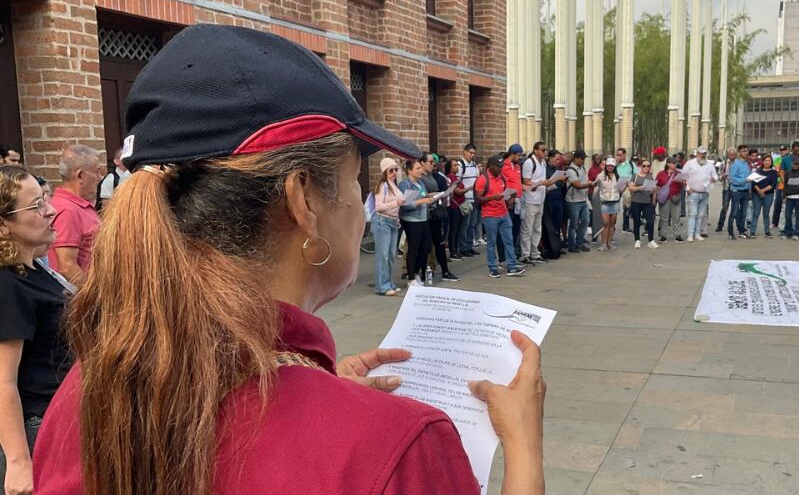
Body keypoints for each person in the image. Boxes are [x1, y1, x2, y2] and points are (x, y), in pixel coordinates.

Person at [32, 25, 545, 495]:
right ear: (304, 201)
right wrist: (523, 448)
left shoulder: (89, 390)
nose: (360, 209)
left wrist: (320, 392)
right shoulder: (398, 444)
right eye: (353, 180)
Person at [0, 166, 71, 495]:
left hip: (60, 418)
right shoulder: (8, 285)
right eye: (36, 206)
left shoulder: (35, 273)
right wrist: (18, 461)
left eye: (45, 199)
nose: (50, 210)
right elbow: (3, 381)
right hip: (37, 428)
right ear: (4, 223)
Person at [47, 145, 101, 286]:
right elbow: (67, 266)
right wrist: (94, 299)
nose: (99, 178)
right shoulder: (68, 210)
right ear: (80, 175)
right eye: (97, 172)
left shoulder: (77, 205)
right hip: (82, 300)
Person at [476, 155, 526, 278]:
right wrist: (493, 197)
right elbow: (479, 198)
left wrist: (511, 197)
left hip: (503, 213)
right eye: (498, 167)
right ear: (491, 166)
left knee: (509, 240)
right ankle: (492, 267)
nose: (500, 169)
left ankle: (511, 266)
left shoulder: (502, 178)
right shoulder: (483, 179)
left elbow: (505, 195)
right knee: (491, 242)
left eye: (501, 166)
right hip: (490, 215)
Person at [399, 156, 441, 285]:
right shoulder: (405, 184)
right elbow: (405, 204)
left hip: (423, 218)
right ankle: (411, 277)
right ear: (409, 170)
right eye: (417, 168)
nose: (420, 171)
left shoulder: (420, 183)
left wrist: (431, 195)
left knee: (426, 246)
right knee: (414, 247)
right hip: (411, 219)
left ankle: (416, 272)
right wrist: (423, 201)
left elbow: (422, 195)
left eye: (420, 168)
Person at [419, 154, 458, 282]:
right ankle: (423, 273)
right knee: (425, 246)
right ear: (422, 163)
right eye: (430, 162)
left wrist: (441, 194)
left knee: (439, 244)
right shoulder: (420, 178)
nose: (433, 164)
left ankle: (445, 271)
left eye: (434, 162)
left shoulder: (431, 176)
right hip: (426, 215)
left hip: (436, 212)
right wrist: (435, 194)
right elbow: (421, 195)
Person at [521, 142, 559, 264]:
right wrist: (541, 183)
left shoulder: (543, 163)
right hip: (530, 199)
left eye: (546, 150)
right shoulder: (529, 163)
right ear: (536, 150)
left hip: (540, 199)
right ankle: (525, 254)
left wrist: (547, 182)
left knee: (537, 228)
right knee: (527, 228)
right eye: (543, 150)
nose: (545, 152)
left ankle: (535, 253)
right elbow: (526, 182)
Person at [371, 158, 405, 296]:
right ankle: (382, 285)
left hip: (392, 221)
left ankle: (389, 282)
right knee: (383, 255)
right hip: (382, 221)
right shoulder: (383, 186)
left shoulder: (394, 184)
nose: (394, 172)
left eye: (396, 169)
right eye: (391, 170)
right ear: (385, 171)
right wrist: (396, 203)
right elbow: (378, 207)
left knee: (391, 255)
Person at [683, 147, 718, 242]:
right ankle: (690, 234)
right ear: (697, 153)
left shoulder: (710, 165)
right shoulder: (690, 164)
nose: (702, 155)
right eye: (701, 153)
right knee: (692, 214)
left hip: (704, 193)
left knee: (701, 215)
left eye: (704, 153)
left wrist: (714, 179)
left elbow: (715, 176)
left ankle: (697, 233)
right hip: (693, 193)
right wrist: (688, 189)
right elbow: (683, 177)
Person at [540, 150, 567, 259]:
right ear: (550, 158)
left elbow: (558, 184)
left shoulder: (557, 169)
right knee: (549, 223)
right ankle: (548, 246)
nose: (558, 161)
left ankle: (557, 246)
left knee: (557, 223)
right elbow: (546, 183)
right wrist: (557, 180)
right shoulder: (545, 169)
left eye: (559, 159)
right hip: (549, 198)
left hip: (558, 197)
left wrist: (562, 181)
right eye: (556, 159)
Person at [627, 159, 659, 249]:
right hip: (636, 201)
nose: (646, 168)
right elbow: (631, 188)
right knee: (636, 221)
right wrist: (641, 187)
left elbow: (653, 189)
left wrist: (653, 197)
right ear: (640, 167)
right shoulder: (635, 176)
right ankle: (637, 240)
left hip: (647, 202)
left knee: (650, 221)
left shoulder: (650, 176)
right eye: (644, 166)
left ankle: (651, 240)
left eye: (648, 166)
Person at [564, 150, 592, 253]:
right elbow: (577, 185)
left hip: (583, 200)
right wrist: (589, 184)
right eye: (581, 159)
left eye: (584, 159)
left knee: (585, 221)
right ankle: (572, 245)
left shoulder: (583, 168)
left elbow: (584, 182)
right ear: (576, 158)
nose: (583, 160)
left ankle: (580, 242)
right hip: (573, 201)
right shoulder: (571, 170)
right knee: (574, 224)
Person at [502, 145, 525, 260]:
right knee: (508, 230)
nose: (520, 157)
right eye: (519, 155)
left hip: (518, 199)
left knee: (516, 228)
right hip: (509, 200)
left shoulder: (517, 166)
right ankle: (506, 257)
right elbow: (503, 184)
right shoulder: (504, 166)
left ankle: (513, 255)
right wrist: (507, 198)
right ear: (512, 154)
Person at [593, 158, 621, 251]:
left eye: (612, 166)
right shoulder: (601, 176)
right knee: (605, 223)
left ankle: (609, 242)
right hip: (605, 202)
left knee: (612, 223)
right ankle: (603, 243)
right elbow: (595, 187)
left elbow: (620, 189)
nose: (610, 167)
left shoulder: (617, 176)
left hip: (615, 201)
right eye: (608, 165)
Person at [656, 157, 685, 242]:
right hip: (664, 198)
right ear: (668, 164)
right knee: (664, 218)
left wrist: (683, 183)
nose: (675, 164)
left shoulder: (679, 173)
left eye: (675, 163)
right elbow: (656, 185)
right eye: (673, 163)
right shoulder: (661, 174)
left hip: (676, 198)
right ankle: (663, 235)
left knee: (676, 218)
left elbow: (683, 186)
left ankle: (677, 235)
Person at [457, 143, 480, 257]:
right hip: (465, 199)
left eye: (474, 153)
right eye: (471, 153)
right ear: (464, 152)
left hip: (474, 198)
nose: (472, 155)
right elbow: (457, 183)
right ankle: (463, 247)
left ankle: (469, 246)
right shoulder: (460, 165)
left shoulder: (474, 165)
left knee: (472, 224)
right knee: (465, 224)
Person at [445, 159, 469, 262]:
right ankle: (453, 251)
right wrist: (471, 187)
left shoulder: (456, 177)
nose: (457, 167)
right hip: (455, 206)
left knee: (458, 228)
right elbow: (457, 191)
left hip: (459, 205)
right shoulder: (451, 177)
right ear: (450, 167)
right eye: (454, 165)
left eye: (457, 165)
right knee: (454, 229)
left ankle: (456, 249)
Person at [749, 154, 777, 238]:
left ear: (771, 162)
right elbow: (753, 182)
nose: (767, 162)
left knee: (766, 213)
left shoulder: (773, 172)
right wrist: (759, 190)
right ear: (762, 162)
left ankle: (767, 231)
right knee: (756, 212)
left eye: (769, 160)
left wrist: (763, 190)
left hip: (768, 194)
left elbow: (773, 184)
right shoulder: (758, 171)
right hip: (756, 194)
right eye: (765, 160)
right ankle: (752, 231)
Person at [781, 156, 799, 240]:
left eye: (797, 164)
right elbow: (785, 185)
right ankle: (788, 232)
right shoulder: (788, 172)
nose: (796, 165)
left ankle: (797, 233)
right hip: (789, 196)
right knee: (788, 215)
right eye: (794, 164)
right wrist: (784, 196)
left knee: (798, 216)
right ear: (791, 163)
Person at [727, 145, 751, 239]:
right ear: (739, 152)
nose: (746, 152)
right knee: (734, 212)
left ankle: (741, 231)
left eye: (746, 150)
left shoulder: (746, 163)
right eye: (744, 151)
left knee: (744, 213)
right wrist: (745, 180)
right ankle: (730, 232)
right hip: (736, 191)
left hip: (745, 191)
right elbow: (732, 179)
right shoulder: (735, 164)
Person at [96, 147, 131, 211]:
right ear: (117, 161)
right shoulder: (111, 178)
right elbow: (105, 204)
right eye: (125, 156)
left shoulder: (133, 175)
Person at [714, 147, 737, 232]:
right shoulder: (723, 164)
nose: (732, 156)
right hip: (726, 188)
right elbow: (718, 176)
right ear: (727, 154)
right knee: (724, 207)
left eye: (734, 154)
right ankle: (720, 225)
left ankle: (738, 225)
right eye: (730, 154)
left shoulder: (738, 163)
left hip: (736, 188)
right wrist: (722, 176)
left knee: (736, 207)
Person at [615, 148, 636, 233]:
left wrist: (631, 183)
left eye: (620, 154)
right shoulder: (615, 165)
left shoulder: (631, 164)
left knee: (627, 207)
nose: (618, 156)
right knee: (615, 207)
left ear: (624, 155)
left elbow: (636, 174)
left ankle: (626, 226)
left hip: (628, 188)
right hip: (618, 187)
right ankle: (612, 226)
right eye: (617, 155)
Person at [588, 153, 604, 243]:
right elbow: (595, 181)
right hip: (593, 193)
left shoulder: (601, 168)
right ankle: (595, 234)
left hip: (602, 193)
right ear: (593, 160)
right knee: (595, 214)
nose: (598, 160)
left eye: (599, 158)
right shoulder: (592, 170)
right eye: (596, 159)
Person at [771, 145, 788, 229]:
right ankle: (775, 222)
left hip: (787, 183)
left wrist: (780, 172)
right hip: (779, 183)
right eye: (781, 150)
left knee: (787, 204)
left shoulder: (788, 159)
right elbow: (775, 171)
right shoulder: (777, 159)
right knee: (778, 202)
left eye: (784, 150)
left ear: (787, 150)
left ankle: (787, 223)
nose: (782, 152)